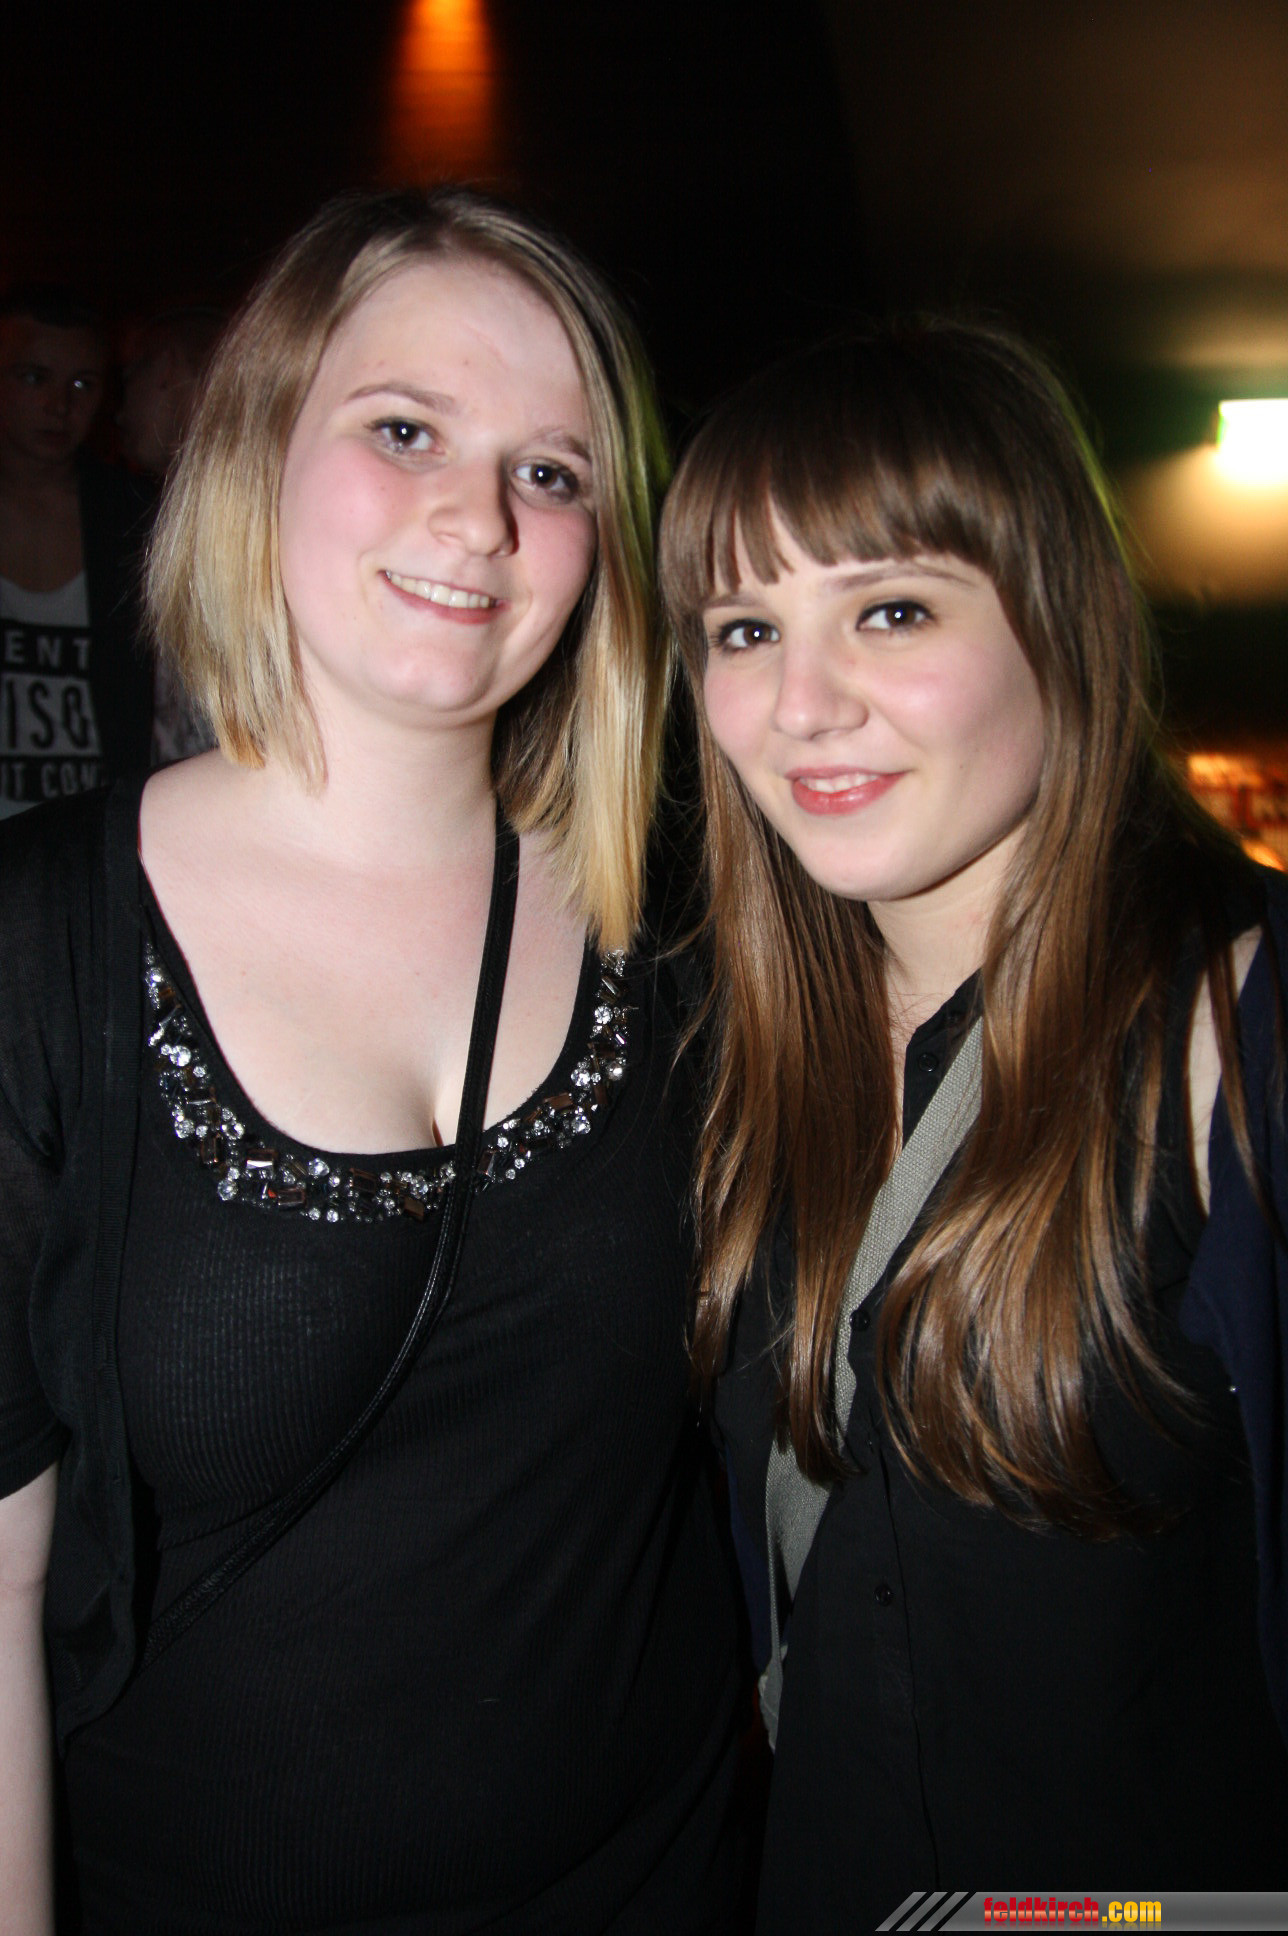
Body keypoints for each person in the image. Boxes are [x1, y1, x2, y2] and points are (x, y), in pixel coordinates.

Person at [0, 187, 745, 1934]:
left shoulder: (693, 924)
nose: (477, 518)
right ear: (259, 445)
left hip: (669, 1875)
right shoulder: (38, 946)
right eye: (404, 429)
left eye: (550, 471)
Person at [657, 321, 1288, 1928]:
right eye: (744, 629)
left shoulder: (1241, 1035)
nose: (800, 706)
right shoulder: (724, 1063)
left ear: (1059, 622)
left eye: (890, 610)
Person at [0, 288, 153, 815]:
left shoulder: (133, 516)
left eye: (83, 384)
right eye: (33, 377)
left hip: (95, 825)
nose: (58, 406)